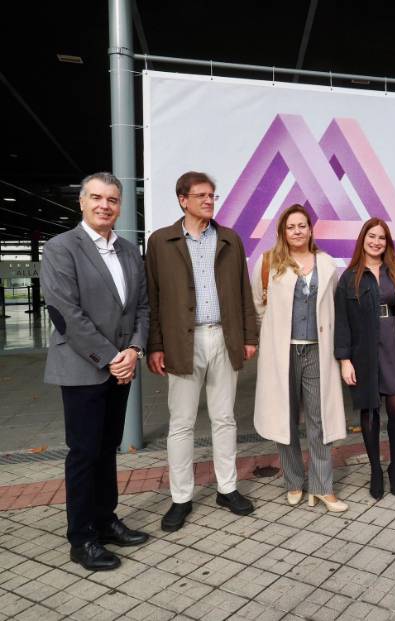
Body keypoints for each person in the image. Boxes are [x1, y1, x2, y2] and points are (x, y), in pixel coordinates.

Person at [41, 172, 149, 571]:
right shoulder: (61, 248)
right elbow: (66, 313)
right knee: (85, 453)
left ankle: (105, 521)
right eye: (97, 197)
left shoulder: (129, 251)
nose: (105, 205)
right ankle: (82, 537)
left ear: (120, 206)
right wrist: (112, 358)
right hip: (83, 368)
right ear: (82, 202)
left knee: (107, 448)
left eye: (112, 199)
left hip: (122, 366)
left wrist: (134, 350)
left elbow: (142, 308)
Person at [146, 171, 258, 532]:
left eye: (212, 195)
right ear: (183, 200)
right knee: (181, 423)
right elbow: (153, 298)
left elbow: (243, 290)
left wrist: (249, 336)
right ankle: (181, 498)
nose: (209, 201)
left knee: (225, 418)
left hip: (224, 337)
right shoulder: (160, 241)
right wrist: (155, 345)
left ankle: (227, 489)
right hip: (182, 342)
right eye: (201, 196)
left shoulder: (229, 239)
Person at [252, 204, 348, 511]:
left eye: (302, 225)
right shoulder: (269, 262)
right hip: (283, 352)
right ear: (283, 231)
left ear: (310, 229)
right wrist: (271, 340)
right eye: (291, 226)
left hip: (318, 351)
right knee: (285, 418)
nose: (297, 231)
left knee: (320, 420)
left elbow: (334, 308)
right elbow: (258, 307)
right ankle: (293, 481)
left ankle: (322, 486)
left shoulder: (327, 263)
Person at [335, 218, 395, 499]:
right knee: (370, 412)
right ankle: (375, 469)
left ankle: (394, 467)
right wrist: (344, 360)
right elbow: (342, 322)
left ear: (387, 243)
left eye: (381, 238)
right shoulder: (349, 277)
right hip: (364, 352)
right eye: (371, 236)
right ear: (363, 239)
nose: (376, 242)